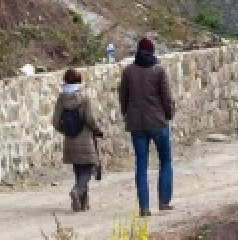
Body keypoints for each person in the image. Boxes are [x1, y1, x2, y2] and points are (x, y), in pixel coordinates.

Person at [118, 37, 175, 216]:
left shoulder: (128, 71)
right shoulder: (159, 71)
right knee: (165, 160)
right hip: (158, 122)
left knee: (141, 165)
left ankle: (144, 207)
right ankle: (164, 201)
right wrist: (169, 114)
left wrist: (126, 113)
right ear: (152, 51)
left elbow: (123, 97)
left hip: (136, 124)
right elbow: (166, 97)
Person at [52, 68, 104, 212]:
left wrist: (66, 131)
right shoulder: (84, 97)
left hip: (70, 140)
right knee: (88, 168)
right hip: (85, 138)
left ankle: (83, 202)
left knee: (78, 168)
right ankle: (77, 190)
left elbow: (55, 122)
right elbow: (90, 119)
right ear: (79, 81)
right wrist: (98, 130)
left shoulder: (61, 99)